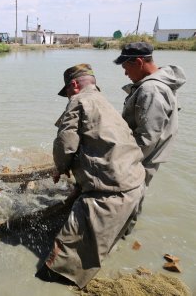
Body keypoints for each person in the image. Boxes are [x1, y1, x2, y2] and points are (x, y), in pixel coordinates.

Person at [35, 64, 145, 288]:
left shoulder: (78, 101)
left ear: (74, 85)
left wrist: (61, 167)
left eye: (67, 92)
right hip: (135, 186)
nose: (67, 97)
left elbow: (66, 143)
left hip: (108, 193)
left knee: (54, 273)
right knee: (105, 247)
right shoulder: (104, 101)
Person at [114, 42, 186, 186]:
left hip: (136, 166)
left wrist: (118, 163)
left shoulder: (151, 89)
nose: (125, 73)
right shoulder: (161, 82)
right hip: (143, 161)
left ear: (139, 62)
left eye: (126, 68)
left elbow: (147, 138)